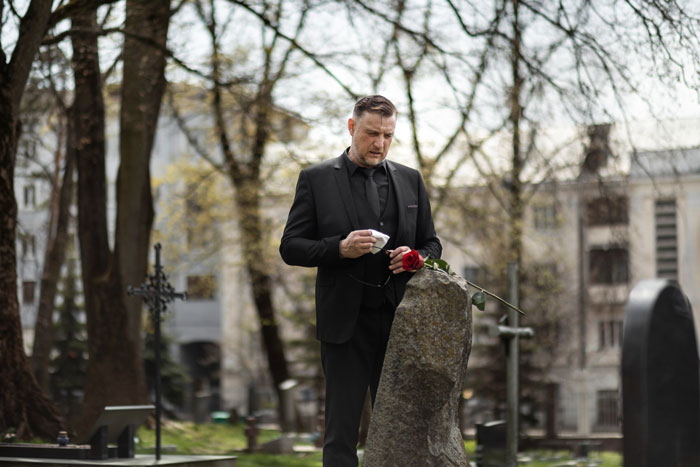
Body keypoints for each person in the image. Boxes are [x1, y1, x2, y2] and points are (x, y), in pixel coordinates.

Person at [279, 95, 441, 466]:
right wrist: (339, 249)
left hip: (400, 322)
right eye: (371, 133)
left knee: (400, 430)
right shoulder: (316, 179)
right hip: (344, 325)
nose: (380, 143)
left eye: (388, 135)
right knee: (341, 434)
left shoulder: (411, 180)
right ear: (352, 127)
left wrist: (416, 258)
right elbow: (290, 247)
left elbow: (431, 242)